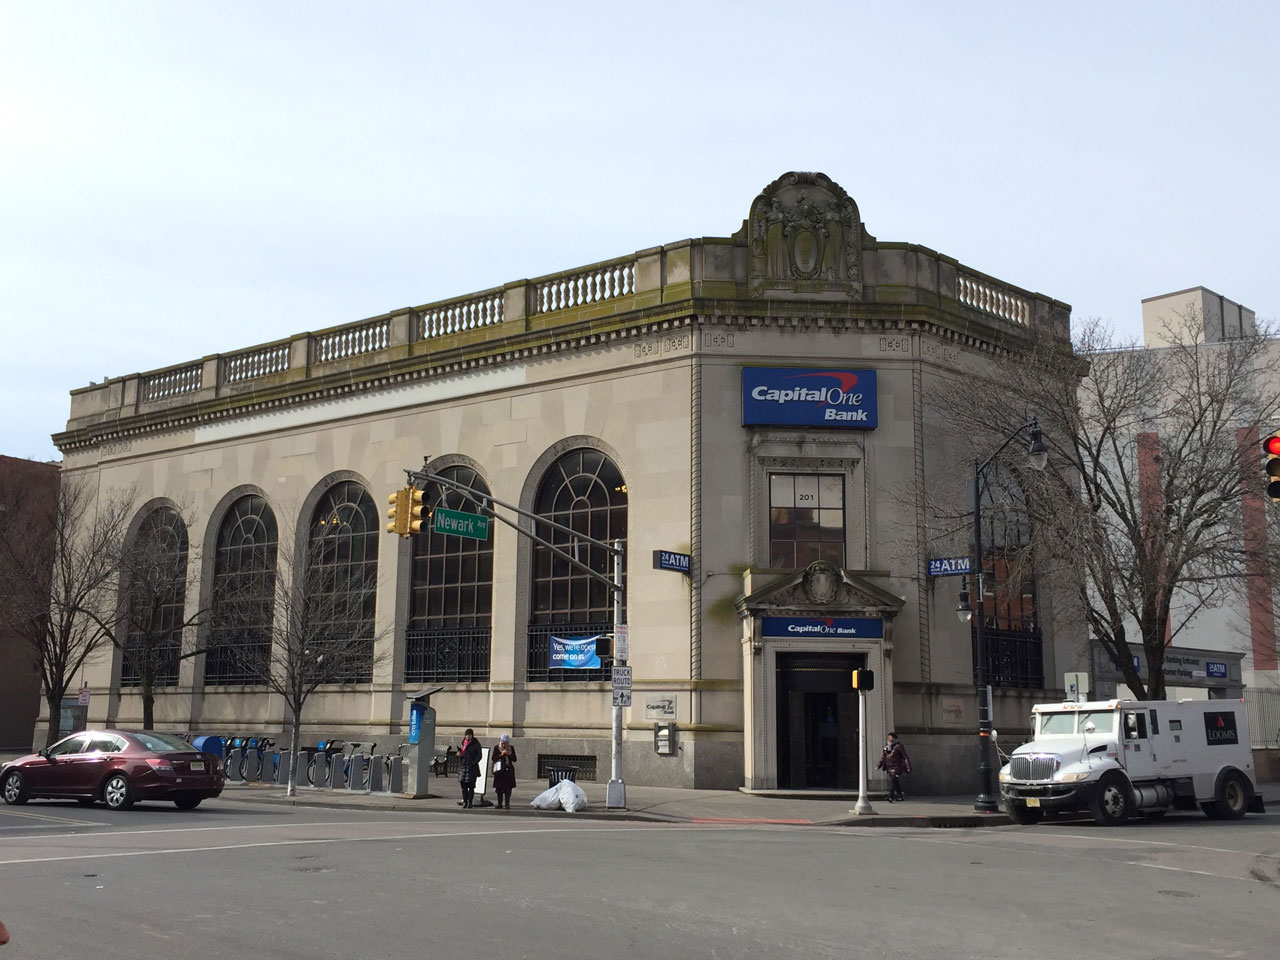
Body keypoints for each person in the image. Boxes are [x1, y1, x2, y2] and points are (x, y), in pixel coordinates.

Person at [877, 731, 911, 801]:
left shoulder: (899, 746)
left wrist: (908, 766)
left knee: (893, 782)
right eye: (889, 737)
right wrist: (878, 765)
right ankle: (900, 796)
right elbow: (883, 757)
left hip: (896, 767)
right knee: (896, 783)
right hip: (889, 767)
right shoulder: (886, 747)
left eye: (891, 737)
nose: (889, 739)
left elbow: (905, 756)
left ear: (894, 738)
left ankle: (890, 796)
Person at [491, 733, 518, 809]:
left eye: (506, 743)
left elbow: (515, 759)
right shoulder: (496, 748)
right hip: (499, 771)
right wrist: (501, 755)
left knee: (508, 789)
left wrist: (509, 754)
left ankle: (507, 803)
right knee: (499, 788)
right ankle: (499, 803)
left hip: (508, 771)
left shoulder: (511, 748)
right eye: (503, 743)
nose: (504, 745)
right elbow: (493, 758)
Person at [457, 728, 482, 808]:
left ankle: (470, 802)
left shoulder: (476, 743)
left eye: (470, 735)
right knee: (464, 787)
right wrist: (458, 755)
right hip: (463, 767)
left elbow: (479, 755)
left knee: (471, 786)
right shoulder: (463, 743)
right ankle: (465, 801)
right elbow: (461, 753)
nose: (468, 736)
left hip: (471, 768)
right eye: (467, 735)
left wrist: (473, 763)